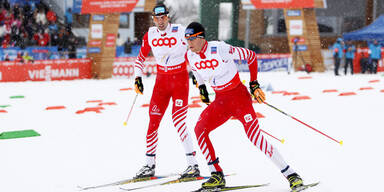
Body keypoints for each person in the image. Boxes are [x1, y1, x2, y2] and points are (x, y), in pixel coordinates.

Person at [184, 22, 305, 191]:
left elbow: (250, 56)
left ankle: (291, 174)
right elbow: (197, 72)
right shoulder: (190, 55)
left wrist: (254, 84)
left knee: (255, 138)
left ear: (201, 38)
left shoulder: (220, 49)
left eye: (191, 39)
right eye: (186, 39)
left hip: (239, 98)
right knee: (200, 129)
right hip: (221, 101)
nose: (188, 43)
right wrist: (202, 87)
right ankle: (216, 175)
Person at [133, 3, 200, 179]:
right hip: (161, 82)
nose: (160, 21)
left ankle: (193, 165)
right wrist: (137, 78)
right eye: (157, 18)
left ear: (167, 17)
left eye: (163, 18)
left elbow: (196, 49)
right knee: (153, 121)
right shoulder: (151, 34)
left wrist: (197, 73)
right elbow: (140, 58)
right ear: (153, 19)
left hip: (179, 81)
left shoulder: (180, 30)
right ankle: (149, 165)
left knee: (178, 121)